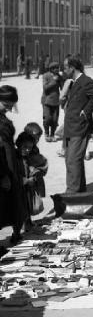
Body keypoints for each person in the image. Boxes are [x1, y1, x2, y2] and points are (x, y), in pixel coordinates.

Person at [62, 56, 93, 193]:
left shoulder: (85, 81)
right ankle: (79, 188)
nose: (64, 70)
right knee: (72, 160)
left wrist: (86, 111)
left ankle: (72, 192)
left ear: (72, 68)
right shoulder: (72, 82)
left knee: (73, 160)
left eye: (65, 67)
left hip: (79, 127)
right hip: (70, 127)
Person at [0, 85, 28, 244]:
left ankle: (16, 231)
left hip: (10, 163)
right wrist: (3, 174)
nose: (9, 109)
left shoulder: (3, 118)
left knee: (13, 200)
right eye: (6, 105)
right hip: (2, 165)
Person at [16, 130, 47, 231]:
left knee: (27, 204)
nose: (28, 150)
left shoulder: (27, 157)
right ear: (19, 144)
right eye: (25, 147)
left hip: (27, 187)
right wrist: (26, 180)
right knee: (20, 208)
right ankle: (17, 231)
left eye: (30, 148)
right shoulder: (14, 157)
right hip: (18, 187)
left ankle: (28, 223)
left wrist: (34, 172)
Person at [42, 61, 62, 141]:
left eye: (58, 68)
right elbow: (45, 88)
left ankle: (52, 134)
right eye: (55, 68)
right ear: (51, 69)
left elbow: (63, 87)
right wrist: (54, 81)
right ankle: (46, 133)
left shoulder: (59, 76)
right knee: (47, 118)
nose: (57, 70)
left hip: (56, 101)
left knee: (54, 119)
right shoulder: (46, 76)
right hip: (46, 101)